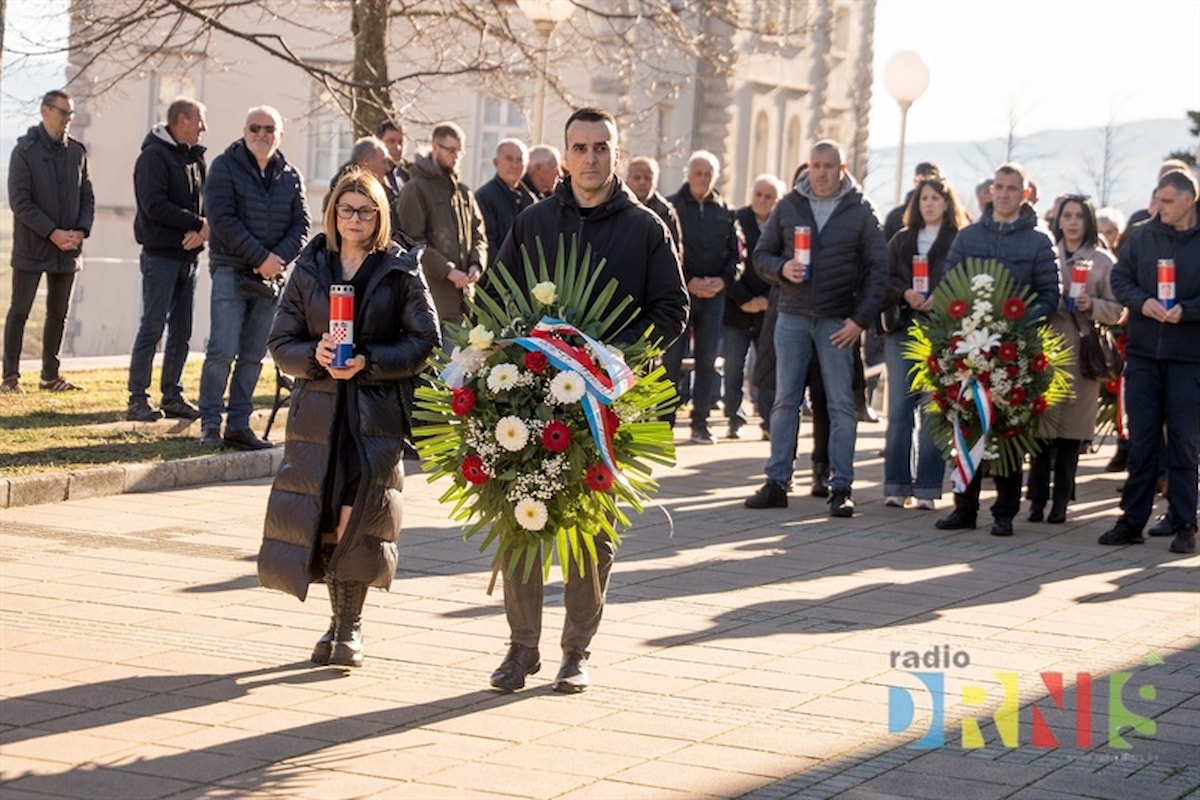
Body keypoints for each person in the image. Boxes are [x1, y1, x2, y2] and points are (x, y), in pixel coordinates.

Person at [489, 106, 688, 694]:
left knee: (589, 533)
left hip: (607, 400)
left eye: (601, 147)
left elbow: (673, 309)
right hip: (531, 395)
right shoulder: (532, 222)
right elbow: (501, 294)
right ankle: (521, 648)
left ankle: (576, 650)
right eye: (580, 148)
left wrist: (614, 355)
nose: (591, 158)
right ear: (565, 153)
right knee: (523, 521)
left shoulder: (646, 227)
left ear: (615, 153)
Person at [258, 169, 440, 667]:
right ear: (333, 213)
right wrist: (315, 354)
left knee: (357, 520)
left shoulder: (399, 269)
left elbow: (425, 341)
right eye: (346, 209)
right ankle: (337, 625)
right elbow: (280, 342)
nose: (354, 218)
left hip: (373, 418)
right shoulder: (311, 266)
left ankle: (349, 627)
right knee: (324, 524)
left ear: (379, 215)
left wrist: (371, 360)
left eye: (365, 210)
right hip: (319, 419)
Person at [744, 140, 887, 518]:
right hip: (790, 316)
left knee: (841, 405)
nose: (821, 172)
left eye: (828, 166)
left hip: (838, 321)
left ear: (842, 169)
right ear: (807, 167)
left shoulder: (860, 210)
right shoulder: (789, 205)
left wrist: (860, 320)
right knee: (784, 401)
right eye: (815, 165)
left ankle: (841, 488)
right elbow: (760, 255)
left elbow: (879, 270)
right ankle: (777, 481)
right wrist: (781, 268)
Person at [933, 163, 1060, 537]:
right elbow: (947, 286)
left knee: (1007, 429)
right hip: (969, 348)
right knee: (969, 424)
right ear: (989, 192)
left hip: (1014, 351)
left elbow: (1050, 294)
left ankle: (1004, 512)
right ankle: (965, 507)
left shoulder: (1039, 241)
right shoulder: (968, 237)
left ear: (1024, 194)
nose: (1003, 194)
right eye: (998, 187)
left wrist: (1014, 324)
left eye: (1011, 188)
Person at [1100, 169, 1200, 555]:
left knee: (1183, 443)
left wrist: (1186, 312)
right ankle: (1131, 521)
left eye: (1168, 202)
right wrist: (1142, 302)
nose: (1160, 208)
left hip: (1188, 357)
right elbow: (1120, 280)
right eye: (1157, 200)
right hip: (1143, 354)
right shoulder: (1142, 236)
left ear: (1189, 200)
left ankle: (1184, 521)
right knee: (1141, 441)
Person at [199, 105, 310, 450]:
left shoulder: (290, 175)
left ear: (280, 135)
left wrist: (277, 260)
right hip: (232, 270)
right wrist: (261, 257)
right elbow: (222, 219)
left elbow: (302, 225)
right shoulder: (223, 167)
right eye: (254, 128)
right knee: (222, 349)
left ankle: (238, 425)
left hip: (271, 278)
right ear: (244, 131)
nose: (261, 135)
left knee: (253, 354)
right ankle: (210, 424)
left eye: (268, 129)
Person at [1027, 196, 1123, 524]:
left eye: (1078, 217)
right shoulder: (1045, 253)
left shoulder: (1102, 260)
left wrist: (1091, 304)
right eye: (1066, 216)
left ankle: (1061, 503)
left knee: (1071, 434)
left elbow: (1118, 309)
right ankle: (1036, 500)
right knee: (1041, 429)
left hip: (1083, 353)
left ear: (1089, 221)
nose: (1071, 222)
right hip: (1046, 350)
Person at [880, 176, 969, 510]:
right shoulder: (901, 241)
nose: (929, 204)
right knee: (900, 410)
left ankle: (929, 488)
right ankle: (895, 483)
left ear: (947, 203)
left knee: (934, 410)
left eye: (935, 198)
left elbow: (969, 280)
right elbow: (883, 279)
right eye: (923, 199)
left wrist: (943, 298)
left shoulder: (958, 240)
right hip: (904, 328)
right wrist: (904, 293)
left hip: (942, 331)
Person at [2, 90, 94, 394]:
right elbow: (20, 201)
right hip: (33, 246)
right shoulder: (24, 151)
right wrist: (52, 232)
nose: (68, 119)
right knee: (20, 311)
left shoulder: (77, 152)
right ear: (45, 111)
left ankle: (50, 376)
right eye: (63, 112)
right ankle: (9, 378)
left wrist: (80, 230)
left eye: (71, 114)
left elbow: (87, 196)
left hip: (68, 248)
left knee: (59, 312)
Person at [126, 97, 209, 421]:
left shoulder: (195, 159)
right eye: (200, 120)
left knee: (182, 329)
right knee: (153, 327)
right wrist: (196, 224)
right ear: (182, 121)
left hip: (189, 258)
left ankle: (172, 394)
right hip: (160, 257)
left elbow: (205, 208)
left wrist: (202, 232)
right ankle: (137, 398)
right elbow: (154, 205)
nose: (204, 127)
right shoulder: (153, 157)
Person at [665, 150, 740, 444]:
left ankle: (701, 423)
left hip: (713, 297)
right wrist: (688, 281)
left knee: (707, 361)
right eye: (698, 173)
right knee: (671, 360)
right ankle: (665, 423)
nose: (702, 179)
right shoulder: (673, 207)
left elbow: (737, 255)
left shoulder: (724, 210)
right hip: (681, 294)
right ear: (688, 174)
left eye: (708, 174)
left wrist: (722, 280)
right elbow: (666, 253)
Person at [396, 121, 487, 336]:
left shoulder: (464, 193)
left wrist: (477, 263)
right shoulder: (415, 189)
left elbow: (478, 234)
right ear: (435, 147)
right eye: (451, 150)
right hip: (433, 300)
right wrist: (447, 271)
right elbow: (412, 241)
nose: (456, 156)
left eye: (460, 151)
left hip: (464, 301)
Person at [723, 173, 782, 440]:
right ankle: (734, 417)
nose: (762, 200)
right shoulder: (735, 219)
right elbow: (728, 262)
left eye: (768, 196)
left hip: (769, 309)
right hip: (738, 308)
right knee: (734, 367)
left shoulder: (781, 225)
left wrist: (767, 300)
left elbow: (784, 264)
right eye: (758, 194)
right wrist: (745, 299)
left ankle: (769, 421)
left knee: (768, 368)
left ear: (776, 200)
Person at [474, 138, 536, 259]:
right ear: (496, 162)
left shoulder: (530, 200)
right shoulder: (484, 198)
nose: (514, 165)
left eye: (520, 160)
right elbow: (486, 243)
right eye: (509, 159)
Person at [625, 156, 683, 259]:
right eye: (637, 177)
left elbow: (674, 255)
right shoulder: (613, 208)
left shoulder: (666, 213)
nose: (642, 182)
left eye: (648, 178)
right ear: (627, 180)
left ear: (655, 182)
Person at [883, 161, 941, 242]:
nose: (927, 186)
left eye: (933, 182)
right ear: (915, 181)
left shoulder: (954, 219)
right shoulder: (896, 217)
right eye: (922, 181)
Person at [374, 119, 411, 195]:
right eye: (391, 141)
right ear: (379, 142)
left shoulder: (407, 176)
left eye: (401, 142)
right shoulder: (371, 173)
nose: (398, 147)